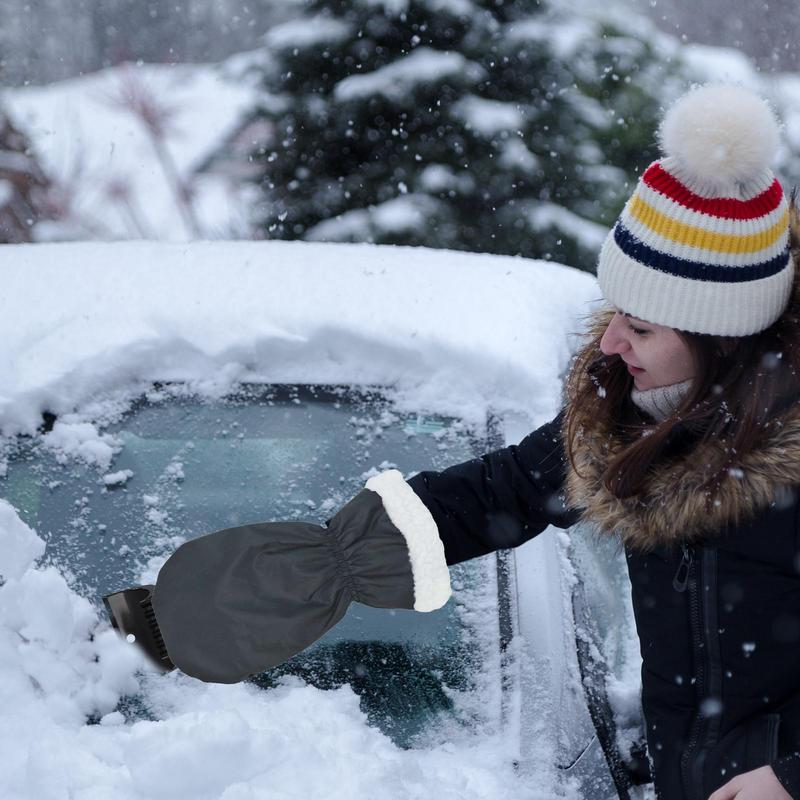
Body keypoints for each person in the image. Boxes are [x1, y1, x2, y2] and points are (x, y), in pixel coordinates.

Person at [105, 83, 800, 800]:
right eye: (616, 313)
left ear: (721, 338)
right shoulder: (636, 425)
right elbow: (490, 498)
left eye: (642, 328)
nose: (612, 342)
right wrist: (277, 583)